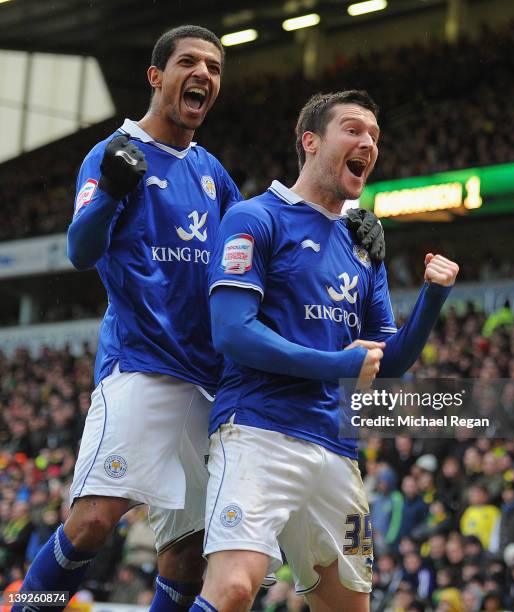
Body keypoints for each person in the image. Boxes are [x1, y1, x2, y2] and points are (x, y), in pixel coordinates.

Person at [15, 29, 385, 612]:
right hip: (142, 365)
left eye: (214, 68)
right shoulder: (112, 150)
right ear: (156, 76)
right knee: (92, 521)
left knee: (187, 557)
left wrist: (351, 225)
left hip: (212, 385)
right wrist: (112, 188)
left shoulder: (213, 172)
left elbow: (269, 240)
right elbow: (80, 251)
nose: (204, 74)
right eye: (189, 62)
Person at [194, 90, 459, 612]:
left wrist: (433, 297)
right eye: (355, 130)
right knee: (232, 590)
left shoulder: (364, 244)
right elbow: (232, 332)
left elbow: (391, 360)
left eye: (375, 137)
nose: (369, 144)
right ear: (310, 142)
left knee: (350, 608)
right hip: (258, 431)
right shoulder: (254, 218)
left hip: (338, 451)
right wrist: (337, 365)